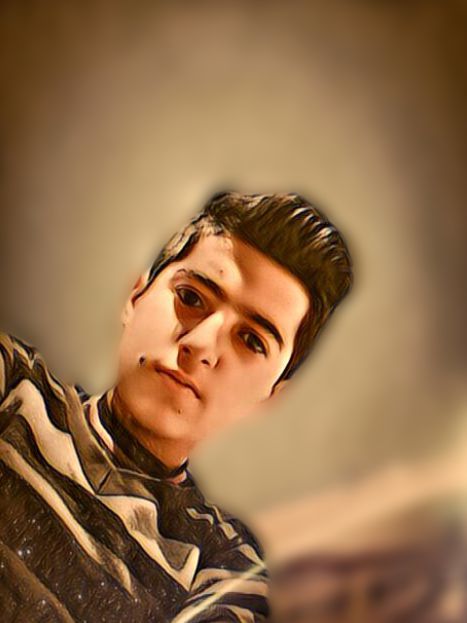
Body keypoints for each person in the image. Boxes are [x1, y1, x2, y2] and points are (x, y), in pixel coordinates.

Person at [0, 192, 352, 622]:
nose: (200, 344)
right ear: (135, 295)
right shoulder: (13, 383)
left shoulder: (226, 573)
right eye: (191, 297)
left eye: (251, 341)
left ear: (270, 398)